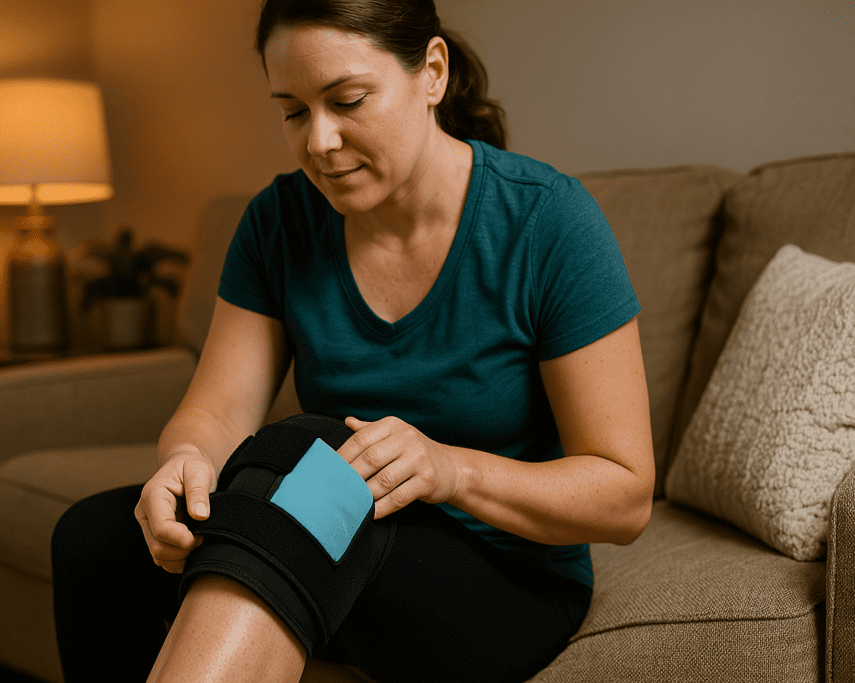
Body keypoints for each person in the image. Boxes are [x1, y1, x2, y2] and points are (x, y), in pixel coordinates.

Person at [50, 1, 655, 681]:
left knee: (315, 450)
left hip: (502, 578)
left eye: (347, 100)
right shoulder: (277, 222)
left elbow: (625, 493)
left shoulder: (548, 222)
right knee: (95, 538)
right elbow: (217, 411)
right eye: (293, 111)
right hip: (331, 532)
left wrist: (449, 469)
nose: (319, 142)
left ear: (431, 72)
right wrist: (184, 461)